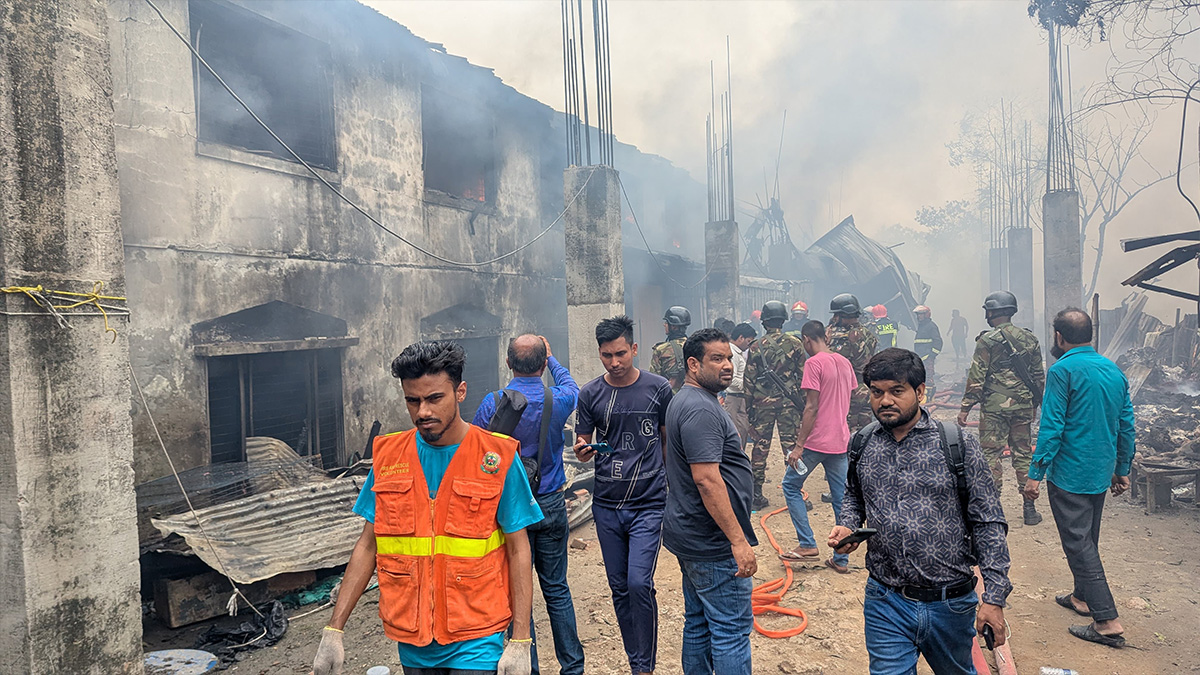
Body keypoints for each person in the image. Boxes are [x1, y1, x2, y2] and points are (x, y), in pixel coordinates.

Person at [311, 341, 541, 675]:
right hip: (412, 636)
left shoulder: (496, 458)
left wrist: (520, 640)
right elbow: (368, 544)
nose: (422, 412)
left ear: (460, 392)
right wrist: (334, 630)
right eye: (412, 400)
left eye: (434, 398)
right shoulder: (389, 457)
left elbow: (519, 549)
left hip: (477, 633)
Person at [831, 348, 1011, 674]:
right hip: (886, 599)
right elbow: (853, 496)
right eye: (876, 392)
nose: (885, 400)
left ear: (920, 391)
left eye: (896, 391)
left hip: (950, 603)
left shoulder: (957, 444)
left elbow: (988, 521)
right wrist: (847, 525)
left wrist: (994, 597)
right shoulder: (862, 443)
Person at [472, 335, 584, 675]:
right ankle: (572, 667)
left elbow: (477, 451)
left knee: (517, 594)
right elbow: (572, 385)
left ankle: (528, 669)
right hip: (550, 503)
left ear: (508, 363)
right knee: (557, 589)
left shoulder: (492, 403)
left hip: (510, 511)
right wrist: (552, 359)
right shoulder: (559, 398)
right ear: (541, 364)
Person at [1024, 308, 1135, 649]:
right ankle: (1082, 598)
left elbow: (1052, 426)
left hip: (1069, 473)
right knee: (1088, 537)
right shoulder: (1113, 371)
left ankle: (1106, 620)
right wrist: (1122, 468)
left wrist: (1034, 475)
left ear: (1058, 337)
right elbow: (1126, 424)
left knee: (1079, 544)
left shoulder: (1061, 371)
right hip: (1099, 472)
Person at [573, 316, 673, 675]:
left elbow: (666, 440)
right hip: (606, 505)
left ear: (633, 349)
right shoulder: (589, 394)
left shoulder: (659, 389)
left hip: (648, 502)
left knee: (638, 583)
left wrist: (669, 487)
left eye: (620, 353)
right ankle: (637, 664)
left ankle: (644, 666)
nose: (614, 362)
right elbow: (582, 440)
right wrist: (584, 449)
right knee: (619, 588)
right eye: (605, 356)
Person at [663, 328, 758, 675]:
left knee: (699, 622)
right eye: (717, 359)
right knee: (731, 632)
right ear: (693, 364)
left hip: (690, 533)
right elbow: (706, 479)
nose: (727, 366)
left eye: (729, 358)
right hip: (712, 540)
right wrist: (738, 540)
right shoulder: (700, 410)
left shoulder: (689, 399)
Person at [958, 291, 1046, 526]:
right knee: (1023, 452)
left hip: (995, 407)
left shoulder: (987, 340)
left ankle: (992, 508)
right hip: (1023, 405)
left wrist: (966, 407)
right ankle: (1029, 508)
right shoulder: (1030, 339)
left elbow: (977, 377)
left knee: (990, 455)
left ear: (992, 312)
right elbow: (1039, 376)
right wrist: (1035, 403)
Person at [778, 321, 856, 573]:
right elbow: (846, 398)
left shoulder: (813, 363)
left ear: (807, 339)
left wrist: (799, 445)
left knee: (790, 485)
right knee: (841, 500)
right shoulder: (844, 362)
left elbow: (811, 407)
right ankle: (841, 559)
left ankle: (807, 544)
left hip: (816, 441)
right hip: (840, 440)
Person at [743, 300, 807, 511]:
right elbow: (802, 376)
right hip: (789, 404)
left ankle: (756, 494)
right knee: (790, 448)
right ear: (783, 320)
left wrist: (750, 408)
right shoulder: (796, 344)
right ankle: (795, 492)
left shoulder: (755, 346)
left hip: (762, 405)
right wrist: (801, 401)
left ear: (764, 322)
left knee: (760, 449)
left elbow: (749, 381)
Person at [826, 293, 877, 432]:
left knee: (847, 428)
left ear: (846, 315)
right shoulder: (868, 334)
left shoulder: (840, 336)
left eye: (837, 315)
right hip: (865, 388)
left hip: (848, 388)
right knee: (865, 428)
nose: (834, 318)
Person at [725, 322, 757, 448]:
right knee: (736, 434)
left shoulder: (738, 353)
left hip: (739, 398)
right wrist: (748, 385)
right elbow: (730, 380)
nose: (749, 345)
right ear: (741, 338)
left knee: (743, 431)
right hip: (734, 398)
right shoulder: (732, 354)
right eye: (748, 341)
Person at [651, 306, 691, 393]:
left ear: (673, 326)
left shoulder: (660, 350)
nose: (664, 324)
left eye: (666, 322)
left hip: (669, 399)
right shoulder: (696, 346)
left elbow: (654, 381)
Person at [912, 305, 943, 400]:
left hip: (927, 357)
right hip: (921, 356)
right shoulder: (921, 326)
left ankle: (929, 399)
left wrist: (932, 355)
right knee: (921, 377)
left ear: (926, 315)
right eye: (917, 315)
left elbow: (938, 342)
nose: (918, 317)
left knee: (929, 378)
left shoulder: (931, 326)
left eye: (920, 314)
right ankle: (924, 397)